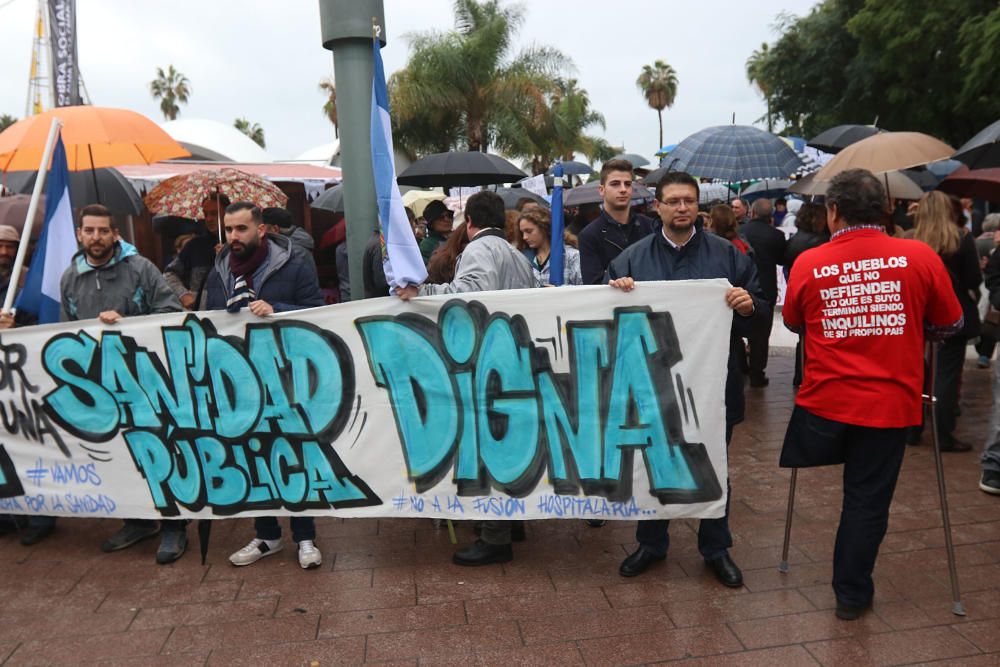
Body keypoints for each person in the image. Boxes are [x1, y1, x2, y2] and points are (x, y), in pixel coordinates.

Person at [780, 169, 963, 620]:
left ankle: (851, 589)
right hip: (889, 404)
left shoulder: (810, 262)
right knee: (866, 500)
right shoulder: (918, 256)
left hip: (823, 404)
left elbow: (792, 323)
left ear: (833, 211)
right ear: (885, 210)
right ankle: (851, 593)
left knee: (858, 495)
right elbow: (952, 324)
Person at [606, 172, 769, 588]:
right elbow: (603, 319)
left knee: (713, 464)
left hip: (715, 385)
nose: (682, 208)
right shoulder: (632, 260)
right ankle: (651, 542)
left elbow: (761, 308)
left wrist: (749, 306)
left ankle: (716, 548)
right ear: (657, 206)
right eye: (674, 201)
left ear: (698, 206)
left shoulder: (728, 256)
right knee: (654, 463)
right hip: (652, 385)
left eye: (689, 201)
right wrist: (614, 292)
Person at [396, 191, 535, 566]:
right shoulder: (517, 256)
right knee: (508, 445)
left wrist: (423, 292)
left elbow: (469, 294)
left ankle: (494, 537)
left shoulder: (477, 249)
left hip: (486, 357)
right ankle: (512, 522)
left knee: (487, 449)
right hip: (512, 358)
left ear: (469, 222)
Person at [60, 204, 187, 561]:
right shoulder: (70, 276)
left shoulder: (141, 268)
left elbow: (172, 312)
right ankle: (137, 521)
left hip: (146, 381)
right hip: (100, 385)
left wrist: (128, 322)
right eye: (89, 231)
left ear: (116, 234)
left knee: (158, 450)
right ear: (79, 234)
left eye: (103, 231)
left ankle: (175, 526)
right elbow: (65, 331)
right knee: (119, 452)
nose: (96, 237)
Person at [204, 202, 326, 569]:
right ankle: (267, 535)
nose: (233, 237)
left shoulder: (296, 262)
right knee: (251, 454)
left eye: (241, 229)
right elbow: (210, 316)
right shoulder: (220, 268)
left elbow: (316, 311)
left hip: (285, 375)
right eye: (229, 230)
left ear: (262, 230)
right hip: (238, 377)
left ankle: (305, 537)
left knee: (292, 454)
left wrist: (277, 309)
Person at [908, 191, 982, 452]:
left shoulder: (910, 240)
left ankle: (913, 429)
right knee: (947, 375)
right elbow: (973, 280)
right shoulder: (961, 239)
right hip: (953, 311)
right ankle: (943, 434)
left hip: (917, 311)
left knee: (916, 370)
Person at [577, 159, 655, 284]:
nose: (623, 189)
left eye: (628, 184)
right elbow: (593, 284)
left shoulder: (651, 227)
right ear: (602, 190)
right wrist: (614, 281)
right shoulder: (589, 235)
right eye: (615, 184)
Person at [741, 198, 787, 387]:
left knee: (736, 329)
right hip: (765, 287)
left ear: (752, 213)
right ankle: (757, 373)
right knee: (761, 334)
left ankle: (742, 366)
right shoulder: (776, 235)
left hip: (741, 285)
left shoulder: (740, 231)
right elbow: (782, 258)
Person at [163, 195, 228, 310]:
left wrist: (229, 257)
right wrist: (183, 294)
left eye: (214, 213)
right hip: (201, 314)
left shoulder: (239, 243)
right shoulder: (194, 245)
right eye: (206, 214)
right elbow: (169, 273)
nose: (209, 219)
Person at [517, 207, 582, 286]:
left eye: (529, 231)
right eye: (522, 233)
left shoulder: (571, 256)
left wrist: (559, 290)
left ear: (543, 227)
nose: (524, 237)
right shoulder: (524, 258)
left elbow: (583, 288)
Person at [419, 200, 454, 265]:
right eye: (441, 217)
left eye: (449, 215)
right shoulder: (427, 244)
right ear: (431, 224)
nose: (447, 219)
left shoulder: (458, 237)